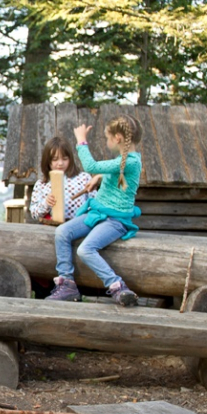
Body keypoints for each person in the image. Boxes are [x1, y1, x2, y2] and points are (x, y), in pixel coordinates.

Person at [46, 115, 143, 306]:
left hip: (115, 221)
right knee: (62, 232)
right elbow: (112, 170)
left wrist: (81, 140)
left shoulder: (131, 161)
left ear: (117, 138)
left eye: (107, 138)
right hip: (98, 214)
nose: (106, 142)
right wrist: (99, 177)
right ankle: (66, 284)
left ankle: (117, 286)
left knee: (86, 249)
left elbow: (90, 166)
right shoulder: (123, 160)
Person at [29, 136, 101, 224]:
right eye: (55, 159)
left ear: (70, 159)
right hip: (49, 226)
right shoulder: (41, 184)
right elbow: (34, 213)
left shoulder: (84, 178)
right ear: (47, 161)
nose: (60, 163)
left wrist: (85, 214)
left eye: (64, 159)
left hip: (78, 225)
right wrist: (46, 203)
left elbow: (96, 202)